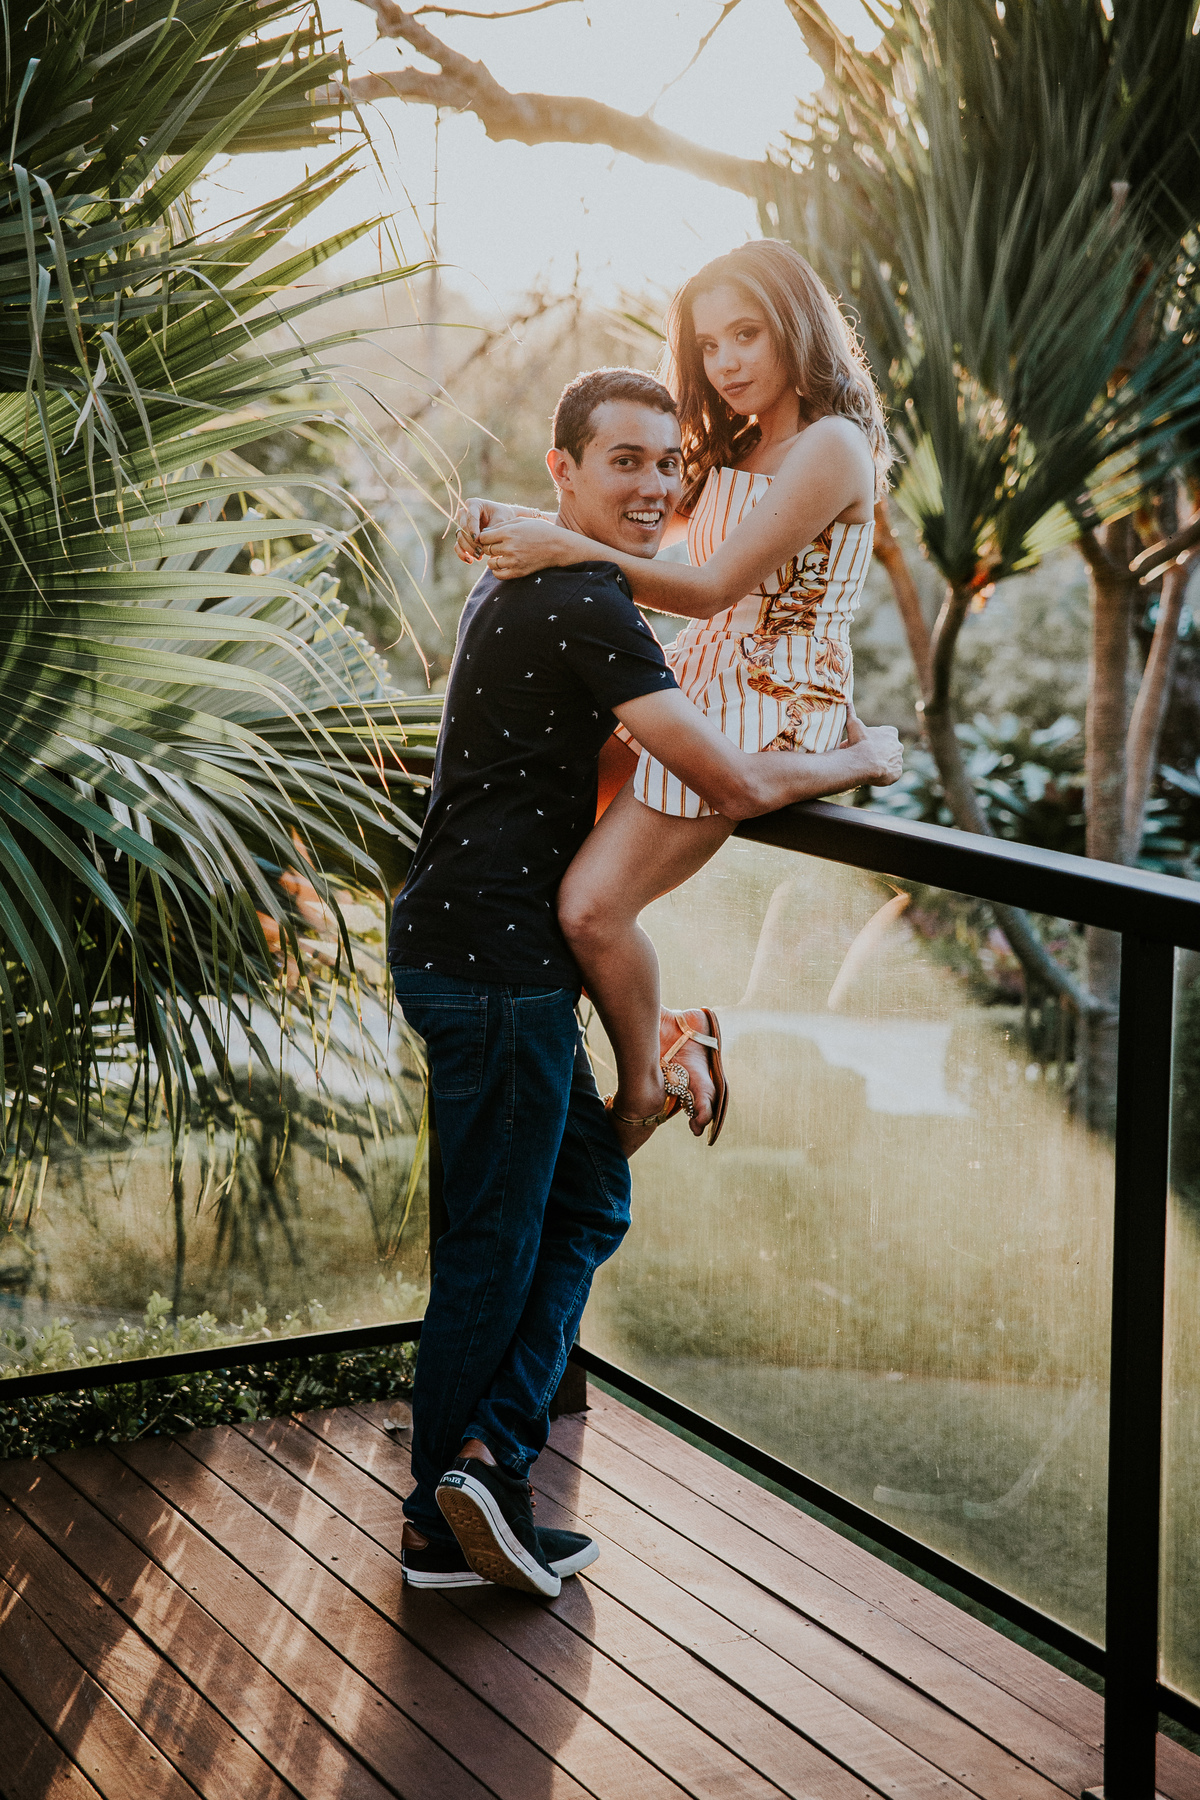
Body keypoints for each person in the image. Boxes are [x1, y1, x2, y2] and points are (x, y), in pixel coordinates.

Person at [392, 366, 901, 1597]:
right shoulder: (582, 598)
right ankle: (448, 1513)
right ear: (564, 471)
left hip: (474, 952)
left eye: (669, 464)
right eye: (625, 461)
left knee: (575, 1208)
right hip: (496, 973)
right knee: (499, 1247)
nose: (655, 486)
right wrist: (858, 757)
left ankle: (481, 1471)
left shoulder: (530, 577)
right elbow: (730, 781)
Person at [458, 239, 890, 1157]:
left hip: (773, 704)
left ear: (797, 327)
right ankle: (674, 1029)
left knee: (590, 909)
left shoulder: (831, 446)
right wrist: (511, 520)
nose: (725, 362)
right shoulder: (738, 442)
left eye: (746, 334)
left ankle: (644, 1089)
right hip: (699, 677)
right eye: (707, 345)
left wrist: (560, 548)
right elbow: (632, 526)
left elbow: (706, 587)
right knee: (543, 863)